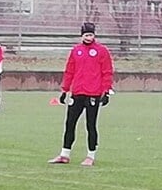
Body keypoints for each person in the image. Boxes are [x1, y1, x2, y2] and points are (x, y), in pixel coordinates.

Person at [48, 22, 114, 167]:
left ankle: (91, 155)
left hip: (93, 93)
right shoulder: (76, 50)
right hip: (77, 92)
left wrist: (107, 91)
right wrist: (65, 90)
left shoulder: (101, 51)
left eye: (90, 35)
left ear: (94, 35)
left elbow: (107, 72)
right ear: (81, 35)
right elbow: (69, 71)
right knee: (70, 123)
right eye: (86, 35)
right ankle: (64, 154)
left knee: (90, 124)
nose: (88, 37)